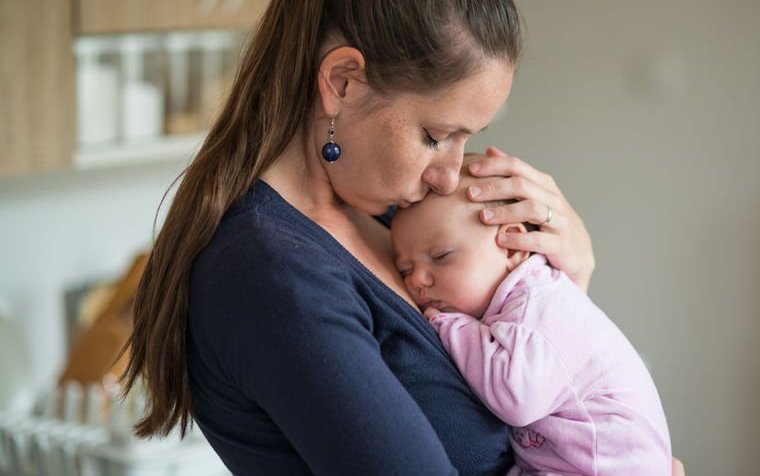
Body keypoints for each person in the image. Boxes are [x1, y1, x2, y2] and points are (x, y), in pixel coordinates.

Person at [121, 1, 684, 475]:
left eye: (468, 139)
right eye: (436, 136)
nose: (448, 173)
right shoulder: (273, 276)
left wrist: (567, 277)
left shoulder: (393, 223)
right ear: (342, 82)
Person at [391, 157, 673, 475]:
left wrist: (449, 324)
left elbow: (516, 396)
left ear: (511, 247)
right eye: (405, 269)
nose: (417, 280)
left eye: (441, 256)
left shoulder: (538, 307)